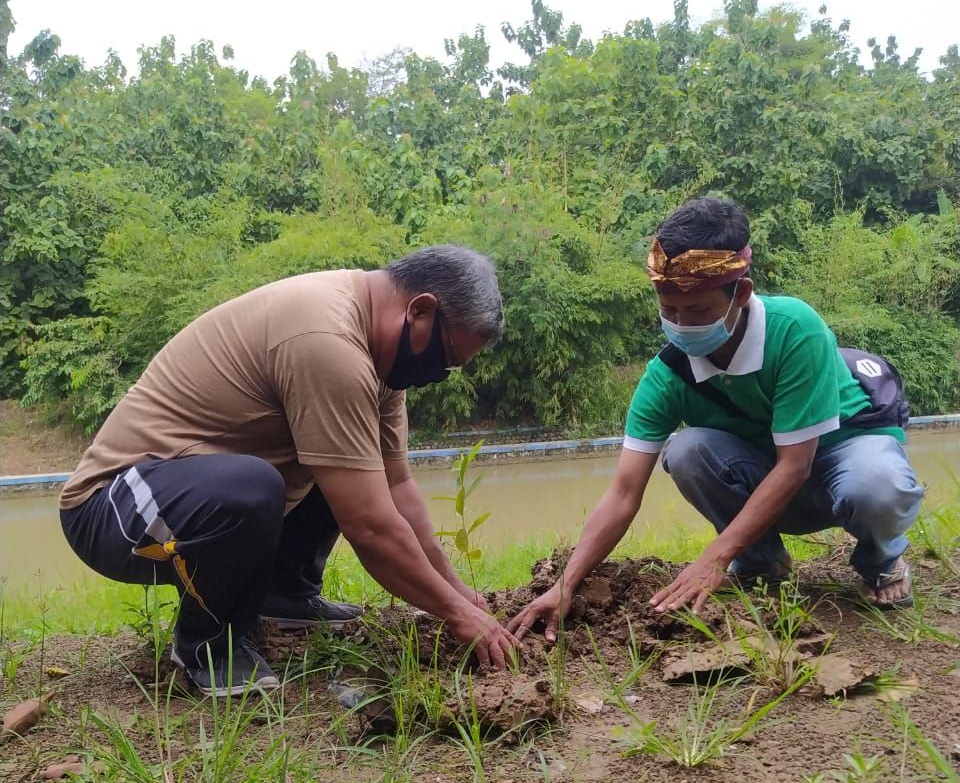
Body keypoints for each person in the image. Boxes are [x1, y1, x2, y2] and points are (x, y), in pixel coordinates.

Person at [60, 245, 518, 694]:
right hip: (113, 508)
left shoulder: (379, 361)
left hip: (185, 491)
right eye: (443, 359)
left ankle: (284, 595)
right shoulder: (326, 341)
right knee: (255, 486)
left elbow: (396, 488)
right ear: (420, 310)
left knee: (347, 460)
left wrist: (460, 594)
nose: (437, 374)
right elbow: (371, 527)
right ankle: (209, 643)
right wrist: (459, 617)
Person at [509, 197, 923, 641]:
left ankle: (881, 562)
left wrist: (714, 556)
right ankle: (762, 563)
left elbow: (795, 465)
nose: (682, 325)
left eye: (698, 311)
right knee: (686, 450)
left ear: (740, 294)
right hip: (767, 480)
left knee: (878, 482)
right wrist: (565, 583)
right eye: (669, 310)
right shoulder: (667, 375)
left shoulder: (795, 329)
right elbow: (624, 492)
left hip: (836, 459)